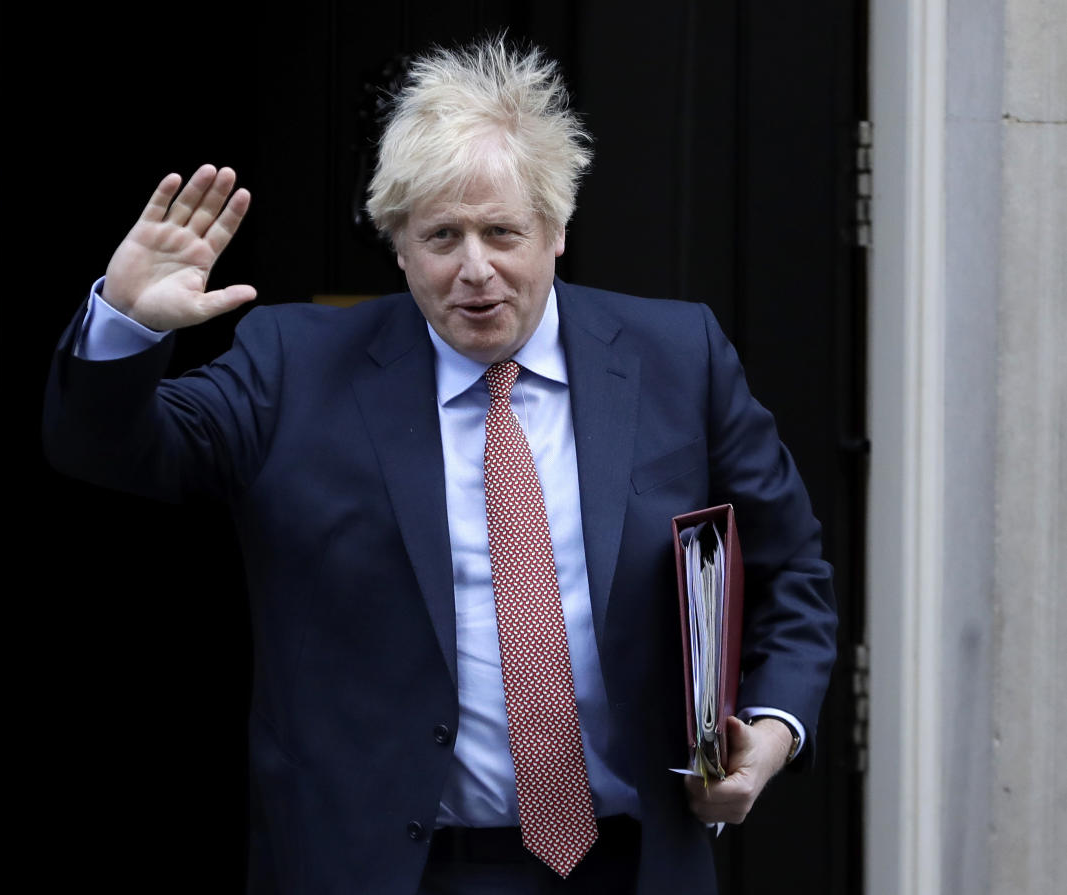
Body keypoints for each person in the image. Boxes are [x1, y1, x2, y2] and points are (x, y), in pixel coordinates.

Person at [43, 37, 836, 895]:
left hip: (634, 862)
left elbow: (791, 570)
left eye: (503, 232)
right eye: (441, 236)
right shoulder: (294, 366)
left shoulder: (677, 357)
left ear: (557, 228)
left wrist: (771, 727)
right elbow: (111, 452)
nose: (475, 270)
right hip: (391, 870)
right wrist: (127, 324)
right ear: (397, 245)